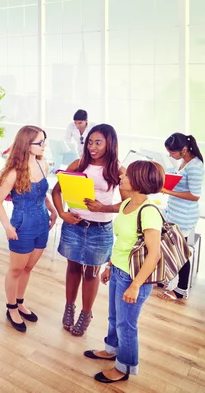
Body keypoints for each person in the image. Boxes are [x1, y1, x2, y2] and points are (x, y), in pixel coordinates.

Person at [84, 160, 164, 384]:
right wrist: (110, 266)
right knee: (114, 317)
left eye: (126, 175)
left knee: (126, 324)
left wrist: (136, 284)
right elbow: (121, 243)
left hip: (133, 277)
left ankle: (124, 367)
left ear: (138, 181)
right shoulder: (127, 203)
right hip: (119, 270)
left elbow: (154, 254)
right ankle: (111, 349)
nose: (121, 177)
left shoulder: (149, 212)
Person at [52, 124, 127, 337]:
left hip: (100, 229)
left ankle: (86, 313)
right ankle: (69, 307)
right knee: (73, 268)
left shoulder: (117, 170)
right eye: (90, 142)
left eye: (98, 142)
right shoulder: (79, 163)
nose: (92, 147)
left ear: (109, 143)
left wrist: (104, 208)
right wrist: (63, 213)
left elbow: (128, 204)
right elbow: (57, 191)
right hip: (74, 226)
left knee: (91, 272)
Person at [0, 126, 58, 333]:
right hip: (22, 224)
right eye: (40, 142)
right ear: (27, 145)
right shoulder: (13, 173)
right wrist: (8, 227)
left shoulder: (43, 165)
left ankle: (20, 302)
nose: (43, 145)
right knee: (16, 269)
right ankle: (11, 307)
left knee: (28, 268)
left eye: (44, 141)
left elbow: (42, 193)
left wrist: (53, 210)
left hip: (41, 222)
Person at [157, 133, 203, 301]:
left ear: (184, 149)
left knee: (179, 252)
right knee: (166, 246)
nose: (170, 155)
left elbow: (195, 195)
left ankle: (181, 289)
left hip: (184, 215)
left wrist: (168, 191)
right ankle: (163, 280)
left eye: (172, 152)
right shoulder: (184, 161)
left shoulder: (195, 166)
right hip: (174, 211)